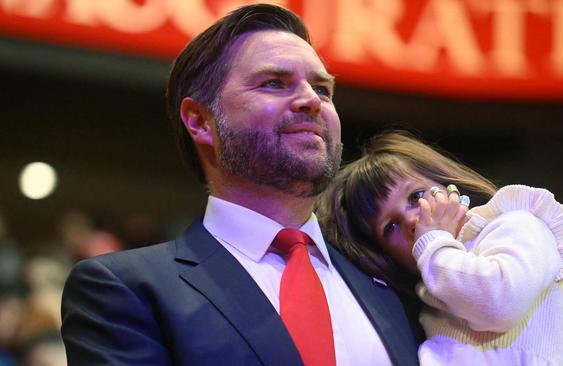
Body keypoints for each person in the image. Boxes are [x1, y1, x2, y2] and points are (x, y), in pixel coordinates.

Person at [60, 4, 419, 366]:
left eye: (323, 89)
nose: (312, 99)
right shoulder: (126, 289)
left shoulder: (390, 275)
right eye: (274, 83)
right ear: (200, 121)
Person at [317, 131, 563, 365]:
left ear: (447, 183)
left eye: (416, 196)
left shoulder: (519, 223)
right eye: (391, 227)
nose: (412, 220)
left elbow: (497, 304)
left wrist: (434, 240)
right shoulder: (431, 295)